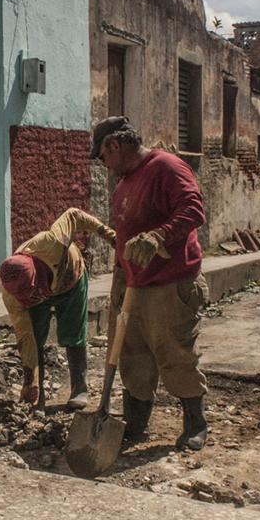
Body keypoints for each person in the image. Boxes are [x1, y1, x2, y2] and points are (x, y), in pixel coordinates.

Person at [91, 117, 209, 451]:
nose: (105, 167)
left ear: (115, 145)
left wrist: (159, 236)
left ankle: (196, 423)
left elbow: (193, 210)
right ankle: (137, 424)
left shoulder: (167, 167)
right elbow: (124, 236)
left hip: (169, 284)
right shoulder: (123, 185)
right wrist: (119, 275)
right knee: (132, 355)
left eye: (102, 157)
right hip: (132, 285)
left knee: (174, 352)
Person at [0, 209, 117, 411]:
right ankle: (38, 397)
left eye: (32, 292)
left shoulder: (52, 242)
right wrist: (30, 382)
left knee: (73, 332)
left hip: (72, 279)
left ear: (37, 275)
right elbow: (25, 340)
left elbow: (74, 215)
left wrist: (111, 236)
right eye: (26, 298)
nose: (31, 298)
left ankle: (79, 388)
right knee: (35, 338)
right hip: (48, 287)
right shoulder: (13, 298)